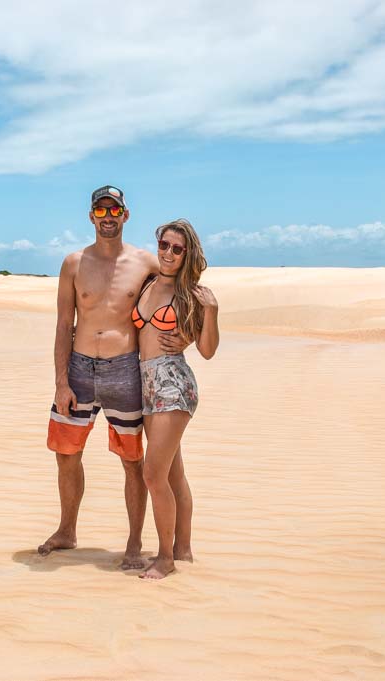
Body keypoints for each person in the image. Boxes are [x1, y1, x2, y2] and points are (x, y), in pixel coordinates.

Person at [40, 185, 187, 569]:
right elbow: (62, 324)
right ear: (91, 216)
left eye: (114, 211)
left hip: (125, 370)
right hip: (79, 369)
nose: (108, 218)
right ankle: (67, 530)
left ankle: (135, 543)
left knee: (131, 460)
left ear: (126, 215)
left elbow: (183, 290)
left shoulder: (145, 263)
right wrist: (60, 381)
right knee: (66, 454)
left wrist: (186, 334)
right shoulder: (73, 263)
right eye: (101, 212)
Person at [134, 218, 219, 579]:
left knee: (153, 475)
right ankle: (183, 548)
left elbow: (208, 349)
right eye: (164, 246)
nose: (168, 253)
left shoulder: (193, 295)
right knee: (173, 473)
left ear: (188, 254)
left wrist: (212, 312)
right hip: (145, 383)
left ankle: (165, 558)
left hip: (173, 383)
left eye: (177, 249)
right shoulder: (147, 282)